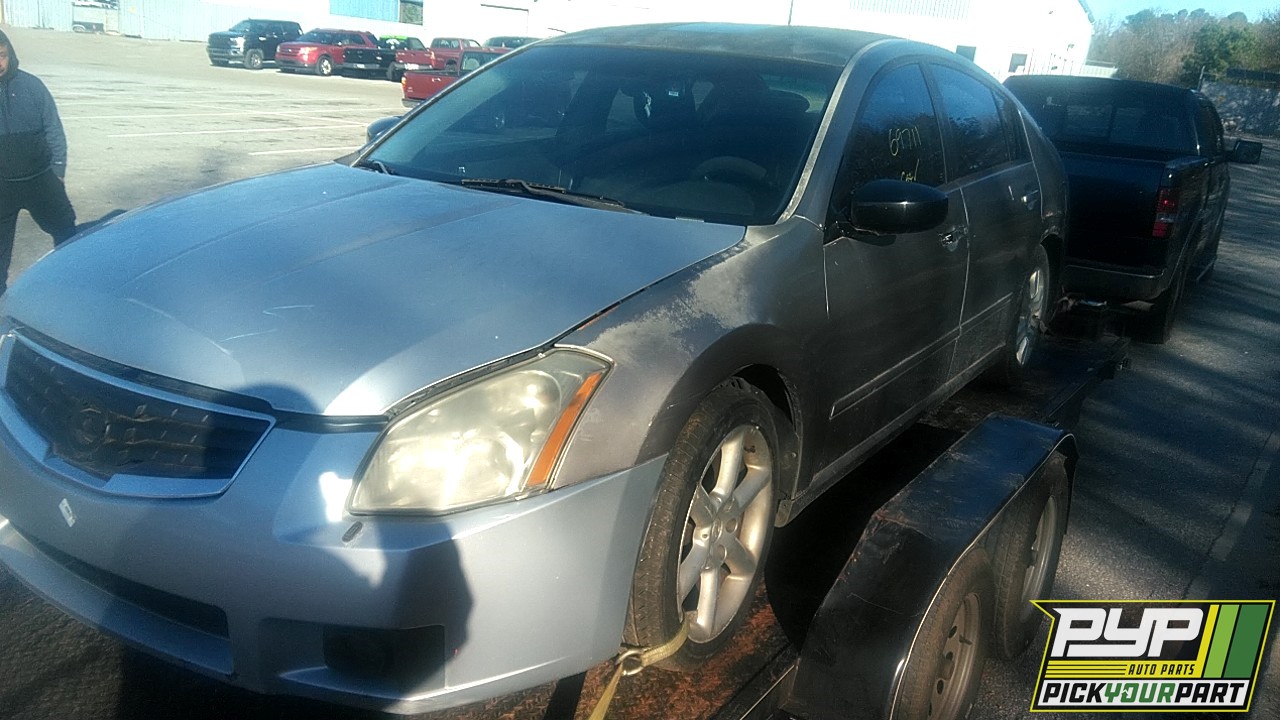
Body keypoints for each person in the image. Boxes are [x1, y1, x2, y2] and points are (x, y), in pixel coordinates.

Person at [0, 29, 76, 294]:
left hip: (40, 179)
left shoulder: (32, 86)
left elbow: (53, 129)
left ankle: (73, 283)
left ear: (10, 55)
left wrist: (58, 170)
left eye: (2, 56)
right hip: (2, 186)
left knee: (67, 232)